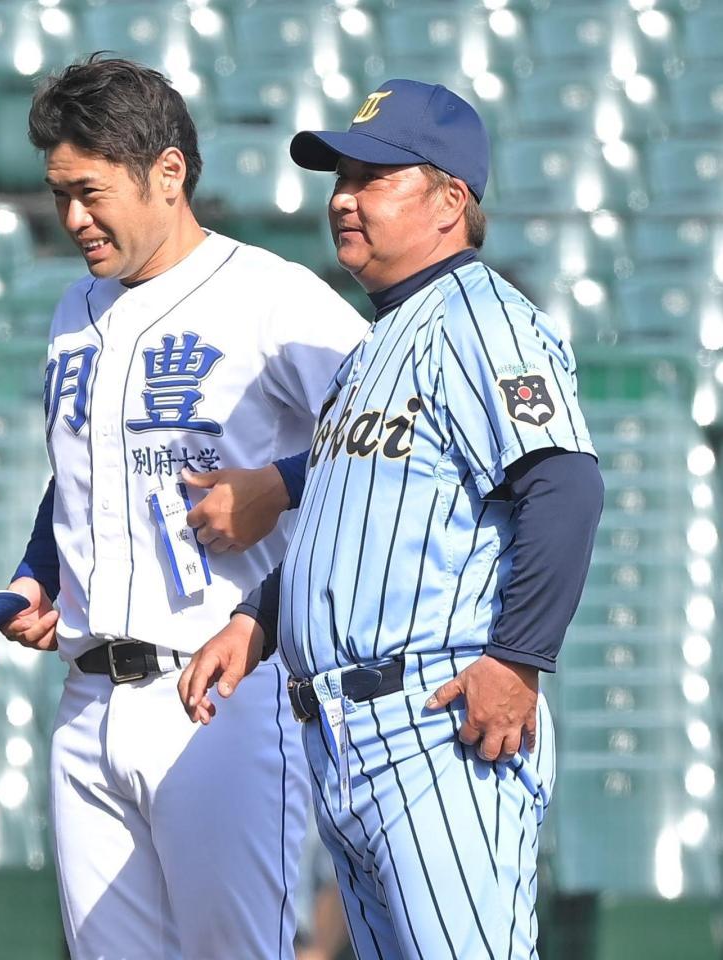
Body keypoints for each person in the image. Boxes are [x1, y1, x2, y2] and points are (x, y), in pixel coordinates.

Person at [180, 79, 604, 960]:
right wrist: (258, 618)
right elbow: (356, 518)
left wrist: (517, 662)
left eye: (373, 176)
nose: (343, 195)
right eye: (341, 175)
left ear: (449, 200)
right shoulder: (374, 347)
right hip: (344, 734)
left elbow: (564, 484)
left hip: (437, 719)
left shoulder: (484, 320)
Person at [0, 54, 367, 960]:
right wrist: (36, 572)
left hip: (218, 693)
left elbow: (400, 439)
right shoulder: (72, 309)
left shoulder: (270, 296)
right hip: (86, 701)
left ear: (168, 173)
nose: (74, 217)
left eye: (90, 191)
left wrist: (280, 480)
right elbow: (80, 469)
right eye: (59, 195)